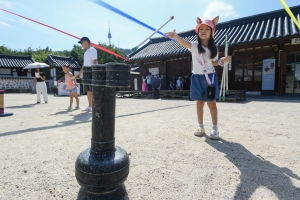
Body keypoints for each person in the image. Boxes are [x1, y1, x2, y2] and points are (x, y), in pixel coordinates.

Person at [165, 16, 228, 140]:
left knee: (212, 103)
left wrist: (221, 61)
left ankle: (215, 128)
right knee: (199, 103)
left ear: (212, 32)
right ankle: (200, 126)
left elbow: (214, 62)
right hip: (196, 78)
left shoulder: (213, 49)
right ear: (197, 31)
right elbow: (184, 43)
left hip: (210, 78)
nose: (203, 31)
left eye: (207, 29)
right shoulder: (194, 46)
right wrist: (176, 36)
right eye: (201, 29)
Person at [75, 37, 97, 112]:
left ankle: (94, 106)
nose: (81, 44)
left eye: (81, 42)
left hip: (91, 70)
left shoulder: (92, 50)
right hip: (86, 71)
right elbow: (84, 64)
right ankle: (90, 106)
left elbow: (95, 61)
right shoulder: (85, 52)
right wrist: (80, 73)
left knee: (92, 89)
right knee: (87, 90)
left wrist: (95, 72)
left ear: (86, 42)